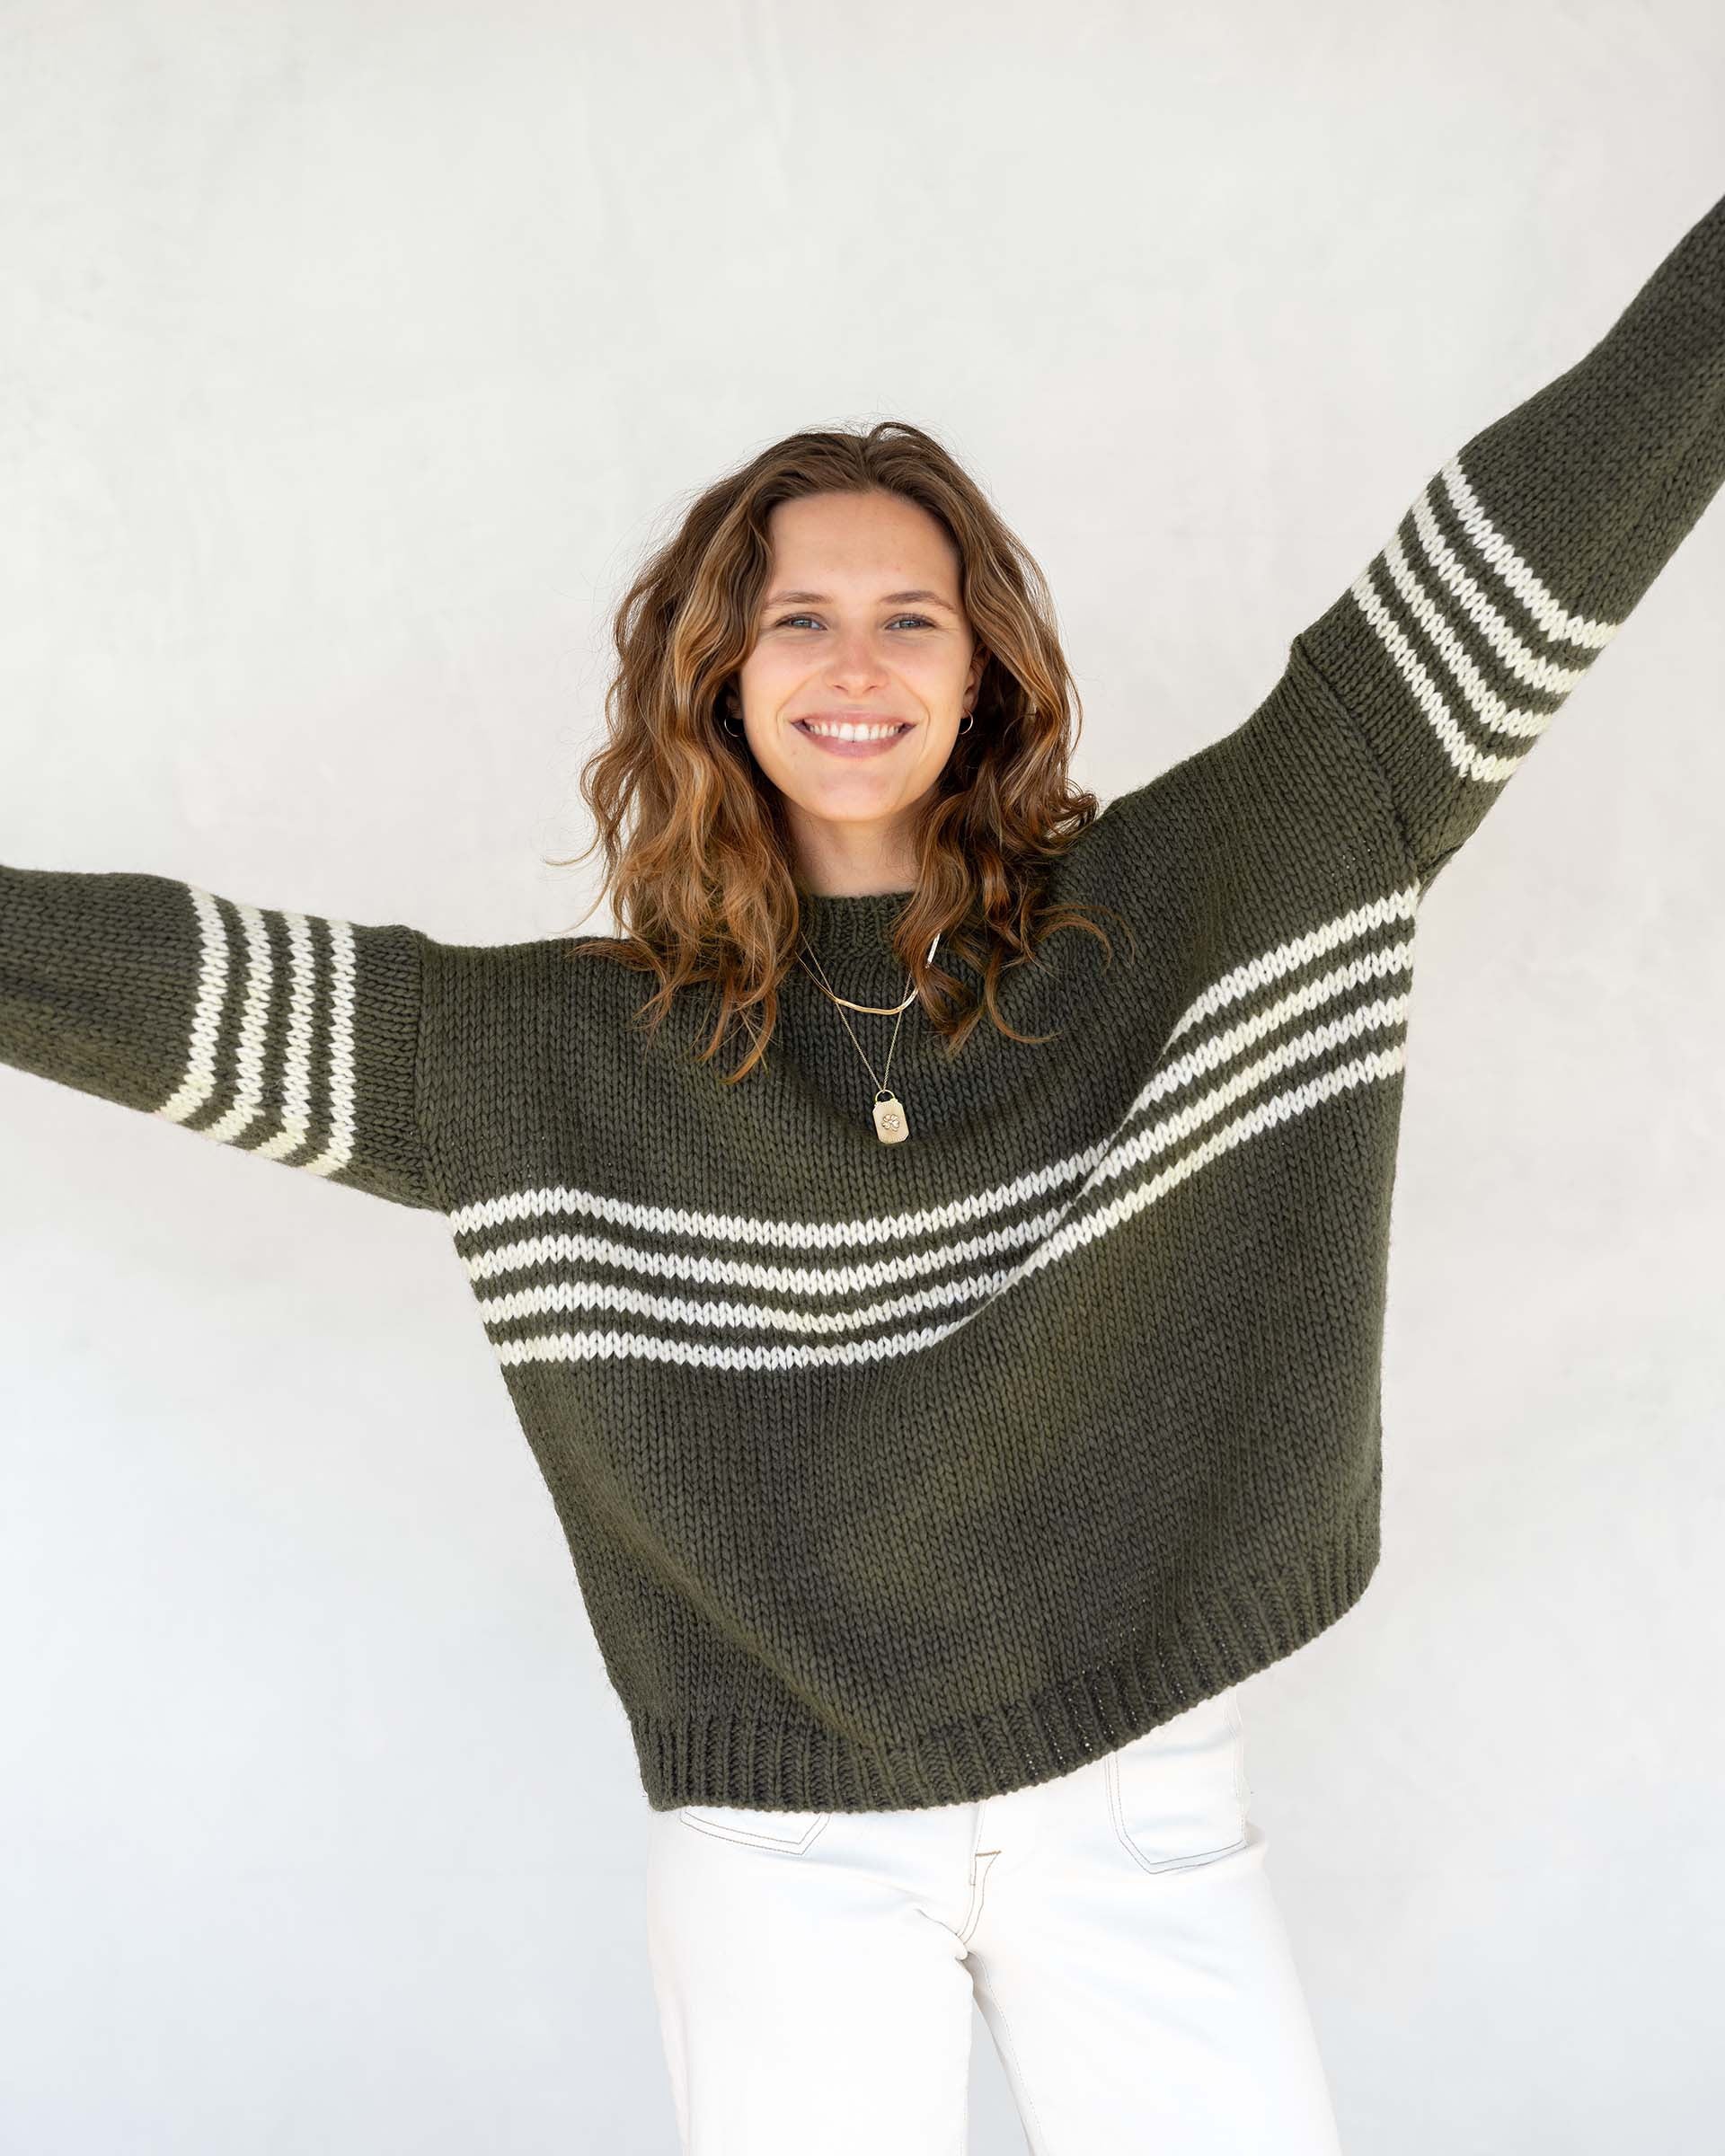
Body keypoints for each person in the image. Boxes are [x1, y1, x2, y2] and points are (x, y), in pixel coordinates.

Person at [4, 186, 1721, 2153]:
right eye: (796, 615)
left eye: (912, 614)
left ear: (981, 667)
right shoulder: (561, 1053)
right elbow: (176, 985)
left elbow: (1540, 527)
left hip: (1140, 1809)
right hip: (790, 1840)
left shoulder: (1204, 897)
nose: (856, 660)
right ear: (718, 672)